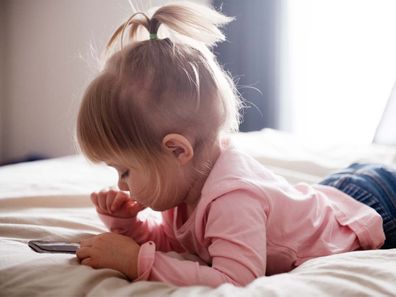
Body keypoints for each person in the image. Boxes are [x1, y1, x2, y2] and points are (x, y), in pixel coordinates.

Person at [75, 1, 396, 287]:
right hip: (338, 196)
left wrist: (137, 263)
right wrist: (128, 225)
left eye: (126, 170)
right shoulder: (186, 184)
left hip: (377, 204)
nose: (121, 184)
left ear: (176, 150)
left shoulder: (232, 199)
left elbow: (236, 278)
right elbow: (174, 242)